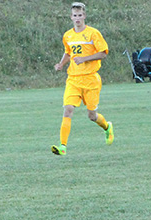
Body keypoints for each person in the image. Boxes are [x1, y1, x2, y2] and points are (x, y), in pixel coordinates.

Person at [52, 2, 114, 156]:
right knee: (68, 109)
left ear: (84, 16)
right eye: (75, 15)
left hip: (91, 79)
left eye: (80, 15)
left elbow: (103, 53)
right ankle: (63, 146)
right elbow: (68, 52)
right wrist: (61, 64)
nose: (77, 18)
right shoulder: (68, 35)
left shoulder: (93, 33)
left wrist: (85, 58)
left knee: (92, 115)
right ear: (71, 17)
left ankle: (107, 127)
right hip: (73, 79)